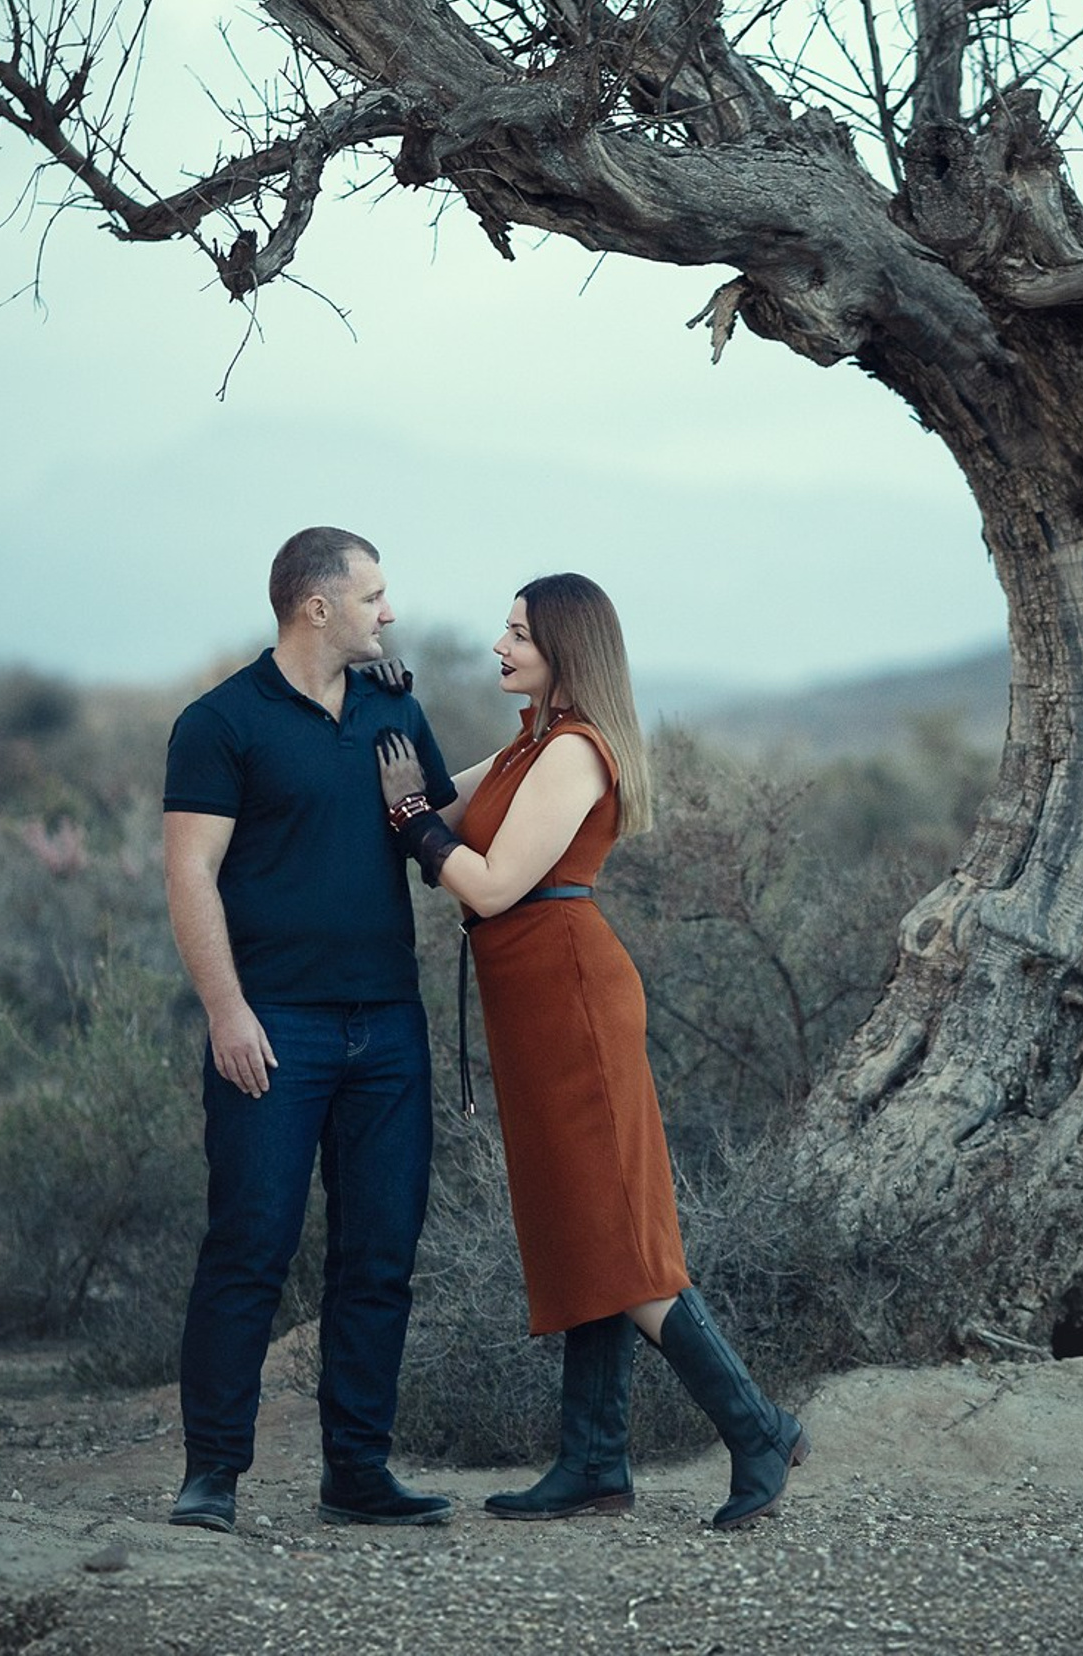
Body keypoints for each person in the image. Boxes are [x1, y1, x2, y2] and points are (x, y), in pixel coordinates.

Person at [374, 571, 808, 1531]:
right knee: (577, 1225)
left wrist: (412, 823)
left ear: (566, 648)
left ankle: (759, 1429)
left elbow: (482, 882)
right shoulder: (529, 743)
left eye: (519, 632)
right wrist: (385, 705)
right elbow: (436, 800)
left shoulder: (573, 752)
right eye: (504, 628)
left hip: (571, 998)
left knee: (616, 1233)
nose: (500, 644)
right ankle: (595, 1463)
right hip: (531, 1005)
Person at [160, 525, 458, 1535]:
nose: (390, 610)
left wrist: (559, 749)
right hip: (273, 1027)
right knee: (249, 1246)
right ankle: (212, 1475)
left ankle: (358, 1474)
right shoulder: (221, 721)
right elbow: (189, 874)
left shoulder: (394, 706)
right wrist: (226, 1008)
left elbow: (442, 830)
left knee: (378, 1255)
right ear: (315, 607)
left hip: (389, 1027)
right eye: (373, 595)